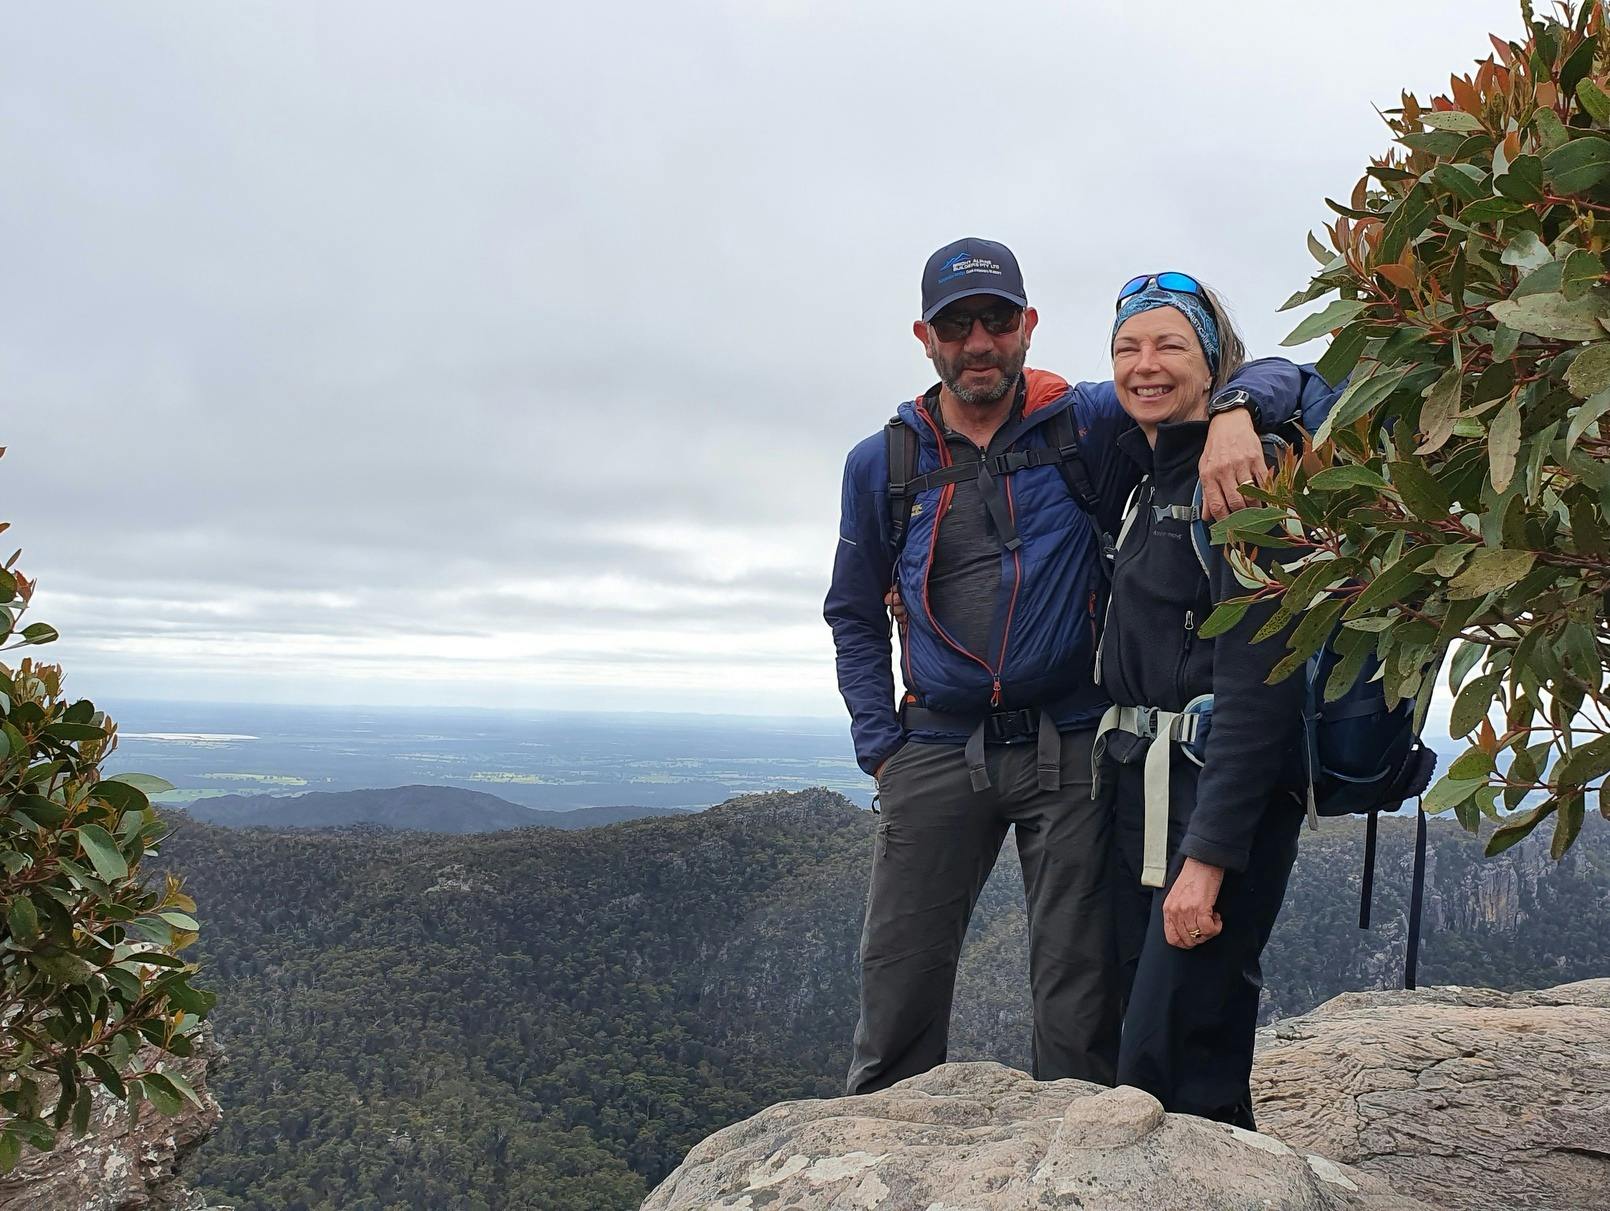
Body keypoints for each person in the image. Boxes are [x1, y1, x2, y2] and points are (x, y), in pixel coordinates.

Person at [823, 238, 1306, 1096]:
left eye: (998, 320)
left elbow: (1289, 377)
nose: (979, 341)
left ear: (1029, 326)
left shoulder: (1086, 423)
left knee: (1079, 1006)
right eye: (957, 323)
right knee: (898, 987)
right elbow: (853, 613)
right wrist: (881, 747)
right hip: (933, 747)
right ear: (924, 336)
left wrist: (1234, 410)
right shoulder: (884, 463)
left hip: (1071, 744)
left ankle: (1078, 1166)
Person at [1092, 272, 1307, 1129]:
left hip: (1212, 796)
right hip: (1144, 795)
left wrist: (1207, 861)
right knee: (1171, 1053)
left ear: (1214, 360)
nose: (1146, 366)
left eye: (1170, 345)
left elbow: (1261, 686)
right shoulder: (1148, 474)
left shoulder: (1241, 479)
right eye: (1126, 348)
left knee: (1177, 1063)